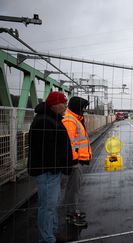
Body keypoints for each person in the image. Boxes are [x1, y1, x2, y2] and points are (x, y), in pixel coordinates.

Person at [28, 91, 75, 243]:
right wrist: (62, 164)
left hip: (52, 171)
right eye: (63, 102)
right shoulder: (44, 121)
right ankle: (47, 239)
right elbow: (47, 151)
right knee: (48, 207)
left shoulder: (50, 118)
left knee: (51, 205)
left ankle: (52, 233)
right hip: (48, 172)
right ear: (55, 104)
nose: (65, 105)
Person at [62, 97, 92, 227]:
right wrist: (74, 161)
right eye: (83, 107)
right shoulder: (70, 120)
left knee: (73, 189)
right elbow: (70, 143)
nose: (84, 110)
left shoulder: (75, 118)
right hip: (74, 162)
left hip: (77, 160)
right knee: (73, 189)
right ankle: (71, 215)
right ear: (77, 106)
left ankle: (72, 211)